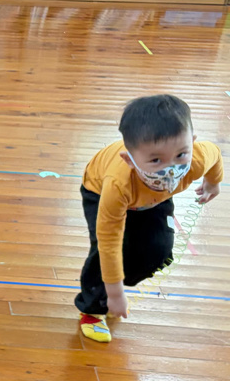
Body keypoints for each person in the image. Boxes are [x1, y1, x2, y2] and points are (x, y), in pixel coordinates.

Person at [76, 95, 222, 342]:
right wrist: (115, 294)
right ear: (129, 159)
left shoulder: (196, 158)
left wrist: (213, 183)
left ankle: (116, 281)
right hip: (100, 191)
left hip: (154, 199)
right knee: (104, 254)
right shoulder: (118, 183)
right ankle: (93, 309)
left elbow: (215, 155)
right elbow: (109, 242)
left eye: (181, 155)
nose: (171, 169)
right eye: (156, 160)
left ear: (192, 143)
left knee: (159, 251)